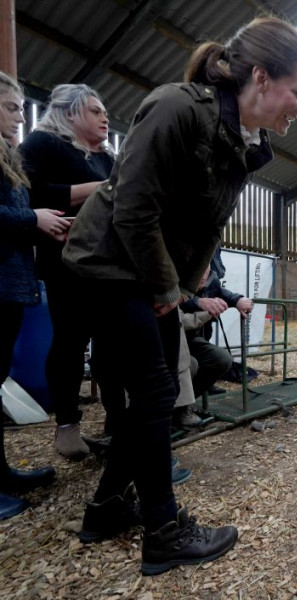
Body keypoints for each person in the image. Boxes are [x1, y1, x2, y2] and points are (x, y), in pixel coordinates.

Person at [62, 17, 297, 574]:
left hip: (145, 273)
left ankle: (105, 509)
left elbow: (206, 226)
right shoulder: (177, 107)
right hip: (107, 264)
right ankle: (164, 532)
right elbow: (132, 210)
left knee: (153, 396)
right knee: (154, 394)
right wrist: (166, 288)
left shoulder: (245, 142)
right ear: (263, 78)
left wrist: (182, 285)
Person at [19, 84, 115, 460]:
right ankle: (67, 426)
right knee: (71, 341)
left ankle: (115, 421)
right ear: (70, 114)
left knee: (112, 342)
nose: (105, 117)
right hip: (66, 261)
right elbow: (24, 190)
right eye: (95, 110)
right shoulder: (42, 144)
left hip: (109, 263)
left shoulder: (109, 158)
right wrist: (96, 189)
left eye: (104, 111)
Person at [0, 72, 68, 519]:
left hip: (10, 283)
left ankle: (1, 473)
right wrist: (32, 220)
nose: (19, 115)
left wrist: (44, 222)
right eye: (10, 106)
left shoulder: (9, 157)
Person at [179, 264, 253, 424]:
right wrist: (199, 302)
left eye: (206, 272)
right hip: (171, 338)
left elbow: (222, 293)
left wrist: (238, 299)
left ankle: (183, 406)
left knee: (222, 359)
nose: (204, 278)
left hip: (192, 338)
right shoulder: (175, 282)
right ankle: (171, 408)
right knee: (189, 364)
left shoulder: (212, 280)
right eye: (199, 273)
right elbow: (172, 303)